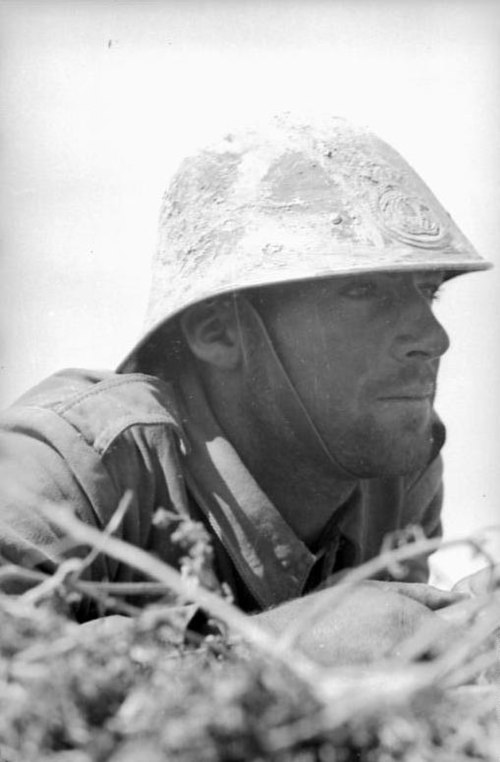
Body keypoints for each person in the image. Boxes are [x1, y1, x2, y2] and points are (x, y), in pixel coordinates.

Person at [0, 115, 493, 664]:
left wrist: (457, 641)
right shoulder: (65, 464)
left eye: (429, 294)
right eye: (363, 290)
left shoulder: (398, 475)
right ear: (219, 331)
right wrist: (269, 652)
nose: (434, 337)